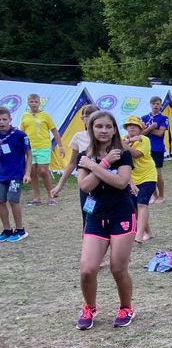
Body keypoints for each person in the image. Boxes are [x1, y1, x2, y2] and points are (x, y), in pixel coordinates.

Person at [75, 110, 137, 330]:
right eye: (99, 126)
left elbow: (121, 182)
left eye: (108, 126)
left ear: (114, 129)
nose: (103, 130)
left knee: (118, 268)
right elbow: (85, 186)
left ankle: (126, 308)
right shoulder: (83, 156)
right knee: (87, 269)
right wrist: (101, 165)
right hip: (95, 217)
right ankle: (89, 308)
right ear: (91, 129)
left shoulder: (122, 154)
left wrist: (94, 166)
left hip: (121, 215)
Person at [51, 103, 99, 206]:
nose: (91, 119)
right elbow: (72, 163)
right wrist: (60, 185)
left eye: (94, 115)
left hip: (105, 180)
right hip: (86, 182)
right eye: (87, 116)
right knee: (88, 213)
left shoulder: (106, 136)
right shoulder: (78, 137)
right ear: (82, 119)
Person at [19, 92, 63, 205]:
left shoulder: (45, 115)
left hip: (43, 146)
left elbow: (54, 131)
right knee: (32, 172)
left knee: (43, 171)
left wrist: (61, 146)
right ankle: (37, 198)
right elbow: (21, 133)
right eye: (31, 102)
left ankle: (51, 196)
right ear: (28, 103)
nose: (34, 104)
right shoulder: (24, 116)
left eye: (36, 102)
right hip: (30, 148)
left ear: (39, 103)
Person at [122, 116, 159, 245]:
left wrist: (124, 145)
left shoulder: (144, 139)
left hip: (148, 176)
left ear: (140, 128)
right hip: (132, 179)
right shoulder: (123, 139)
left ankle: (139, 235)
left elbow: (136, 154)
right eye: (129, 125)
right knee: (134, 207)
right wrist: (129, 141)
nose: (131, 127)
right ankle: (148, 232)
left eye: (135, 125)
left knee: (142, 204)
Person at [0, 106, 31, 242]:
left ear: (10, 119)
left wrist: (27, 173)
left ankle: (20, 230)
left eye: (4, 119)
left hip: (16, 174)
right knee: (1, 201)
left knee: (13, 200)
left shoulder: (20, 135)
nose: (1, 122)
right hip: (2, 174)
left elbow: (29, 154)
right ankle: (7, 230)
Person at [141, 96, 168, 203]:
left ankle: (161, 196)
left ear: (161, 105)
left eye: (158, 104)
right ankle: (154, 196)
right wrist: (151, 128)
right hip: (145, 148)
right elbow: (141, 133)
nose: (155, 106)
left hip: (157, 148)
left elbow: (160, 133)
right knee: (148, 173)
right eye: (154, 104)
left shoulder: (164, 118)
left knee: (157, 172)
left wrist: (148, 129)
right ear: (150, 104)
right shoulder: (144, 118)